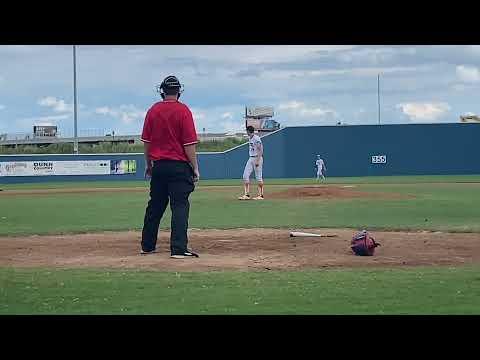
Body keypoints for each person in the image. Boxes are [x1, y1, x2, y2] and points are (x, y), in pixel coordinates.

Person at [140, 75, 200, 259]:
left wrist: (148, 164)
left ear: (162, 91)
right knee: (180, 206)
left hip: (159, 166)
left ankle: (147, 246)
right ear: (179, 91)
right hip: (178, 166)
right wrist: (195, 167)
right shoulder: (183, 111)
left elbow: (147, 142)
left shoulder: (153, 111)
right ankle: (178, 248)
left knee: (155, 206)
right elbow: (189, 144)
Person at [238, 125, 264, 200]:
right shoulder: (250, 138)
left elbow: (261, 150)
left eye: (247, 131)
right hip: (251, 158)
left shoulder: (256, 138)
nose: (246, 132)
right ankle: (247, 194)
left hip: (257, 158)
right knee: (245, 175)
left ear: (249, 131)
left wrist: (258, 160)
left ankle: (261, 195)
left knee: (258, 177)